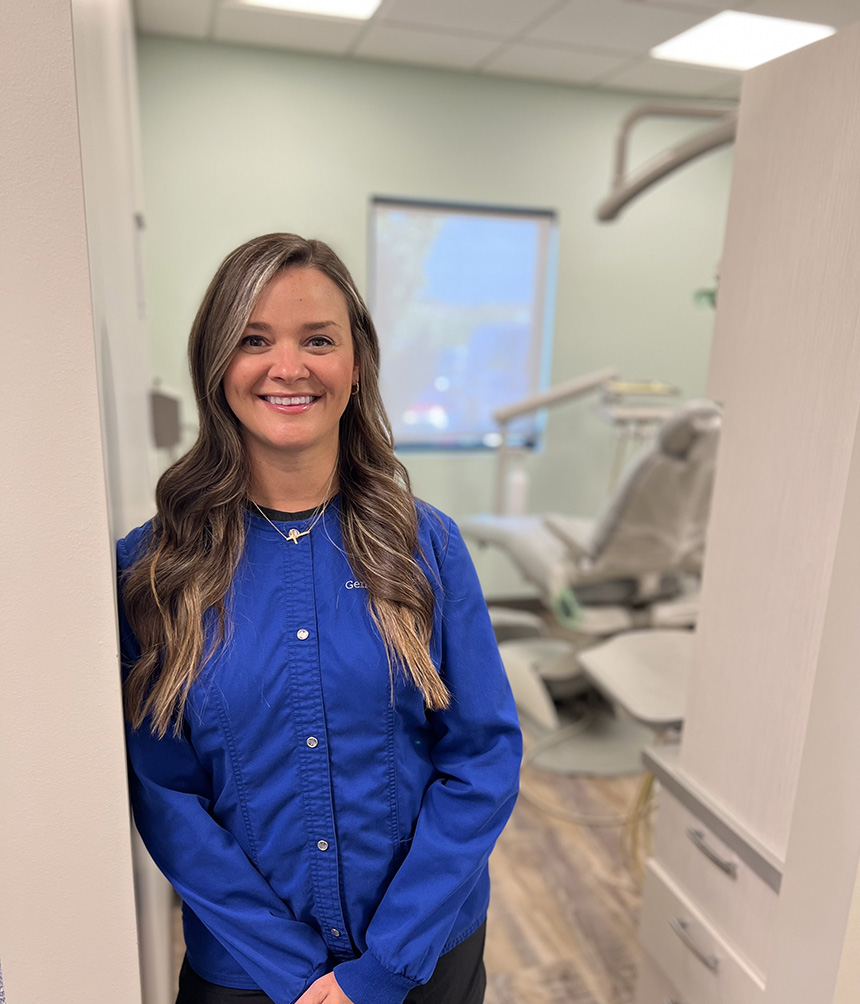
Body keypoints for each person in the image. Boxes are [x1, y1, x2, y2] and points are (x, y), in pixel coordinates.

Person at [116, 233, 523, 1004]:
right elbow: (164, 794)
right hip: (248, 977)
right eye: (254, 340)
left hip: (423, 962)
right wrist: (295, 974)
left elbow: (482, 759)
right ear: (217, 364)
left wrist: (380, 968)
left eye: (319, 340)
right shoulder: (155, 569)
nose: (289, 367)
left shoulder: (425, 545)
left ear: (356, 361)